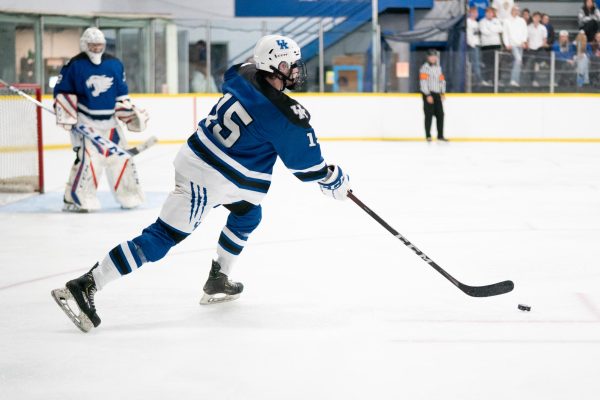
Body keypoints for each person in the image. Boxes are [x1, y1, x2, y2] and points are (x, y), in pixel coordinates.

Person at [50, 34, 352, 333]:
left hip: (210, 164)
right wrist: (333, 177)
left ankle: (219, 277)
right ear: (273, 67)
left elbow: (241, 76)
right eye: (289, 65)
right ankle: (87, 283)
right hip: (207, 177)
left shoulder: (242, 74)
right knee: (160, 239)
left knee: (248, 213)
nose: (296, 70)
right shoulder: (283, 114)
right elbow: (308, 167)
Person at [54, 27, 148, 212]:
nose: (97, 48)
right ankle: (76, 199)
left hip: (111, 123)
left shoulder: (114, 64)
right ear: (84, 45)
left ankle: (129, 195)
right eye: (92, 45)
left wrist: (129, 114)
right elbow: (62, 92)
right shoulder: (74, 65)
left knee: (122, 159)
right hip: (86, 123)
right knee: (89, 162)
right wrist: (66, 113)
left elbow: (121, 94)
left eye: (100, 45)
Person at [419, 49, 447, 142]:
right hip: (429, 94)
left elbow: (442, 80)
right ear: (428, 57)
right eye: (431, 56)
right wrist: (427, 95)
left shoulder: (438, 68)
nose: (433, 58)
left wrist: (442, 92)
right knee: (429, 115)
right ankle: (428, 136)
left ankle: (440, 135)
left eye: (435, 56)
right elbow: (423, 82)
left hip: (437, 94)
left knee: (440, 115)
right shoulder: (424, 68)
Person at [503, 6, 529, 87]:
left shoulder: (522, 21)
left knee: (518, 62)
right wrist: (507, 44)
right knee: (518, 60)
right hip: (512, 45)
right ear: (511, 11)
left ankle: (516, 81)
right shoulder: (506, 21)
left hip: (520, 45)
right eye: (514, 10)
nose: (516, 11)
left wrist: (524, 42)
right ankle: (513, 80)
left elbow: (525, 32)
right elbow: (505, 33)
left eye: (517, 10)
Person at [480, 7, 504, 84]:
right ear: (485, 13)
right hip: (486, 45)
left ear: (493, 14)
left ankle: (497, 80)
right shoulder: (482, 22)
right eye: (488, 12)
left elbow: (500, 29)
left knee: (497, 63)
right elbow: (484, 31)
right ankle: (488, 80)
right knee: (487, 64)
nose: (489, 14)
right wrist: (494, 30)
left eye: (491, 13)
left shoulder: (497, 21)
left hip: (496, 45)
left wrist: (490, 29)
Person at [467, 6, 490, 86]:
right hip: (472, 45)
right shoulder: (468, 22)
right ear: (471, 13)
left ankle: (477, 79)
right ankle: (479, 80)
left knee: (478, 63)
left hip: (477, 44)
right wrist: (471, 44)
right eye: (475, 12)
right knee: (475, 63)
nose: (477, 14)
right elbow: (468, 34)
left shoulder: (476, 23)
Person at [525, 12, 548, 87]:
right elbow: (527, 39)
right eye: (535, 17)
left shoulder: (543, 28)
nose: (536, 18)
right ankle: (533, 80)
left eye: (538, 17)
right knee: (533, 63)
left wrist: (543, 45)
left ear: (540, 19)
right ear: (532, 18)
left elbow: (544, 39)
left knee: (541, 58)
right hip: (531, 49)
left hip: (540, 49)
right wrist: (528, 46)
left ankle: (540, 63)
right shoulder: (528, 27)